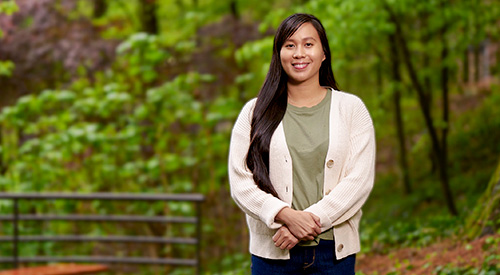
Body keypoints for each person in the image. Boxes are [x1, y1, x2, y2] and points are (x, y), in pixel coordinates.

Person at [228, 13, 375, 275]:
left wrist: (307, 223)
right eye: (290, 45)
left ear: (323, 53)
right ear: (279, 53)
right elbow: (241, 183)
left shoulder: (351, 109)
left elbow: (358, 181)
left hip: (333, 255)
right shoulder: (254, 112)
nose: (299, 53)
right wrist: (285, 215)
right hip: (272, 256)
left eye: (309, 44)